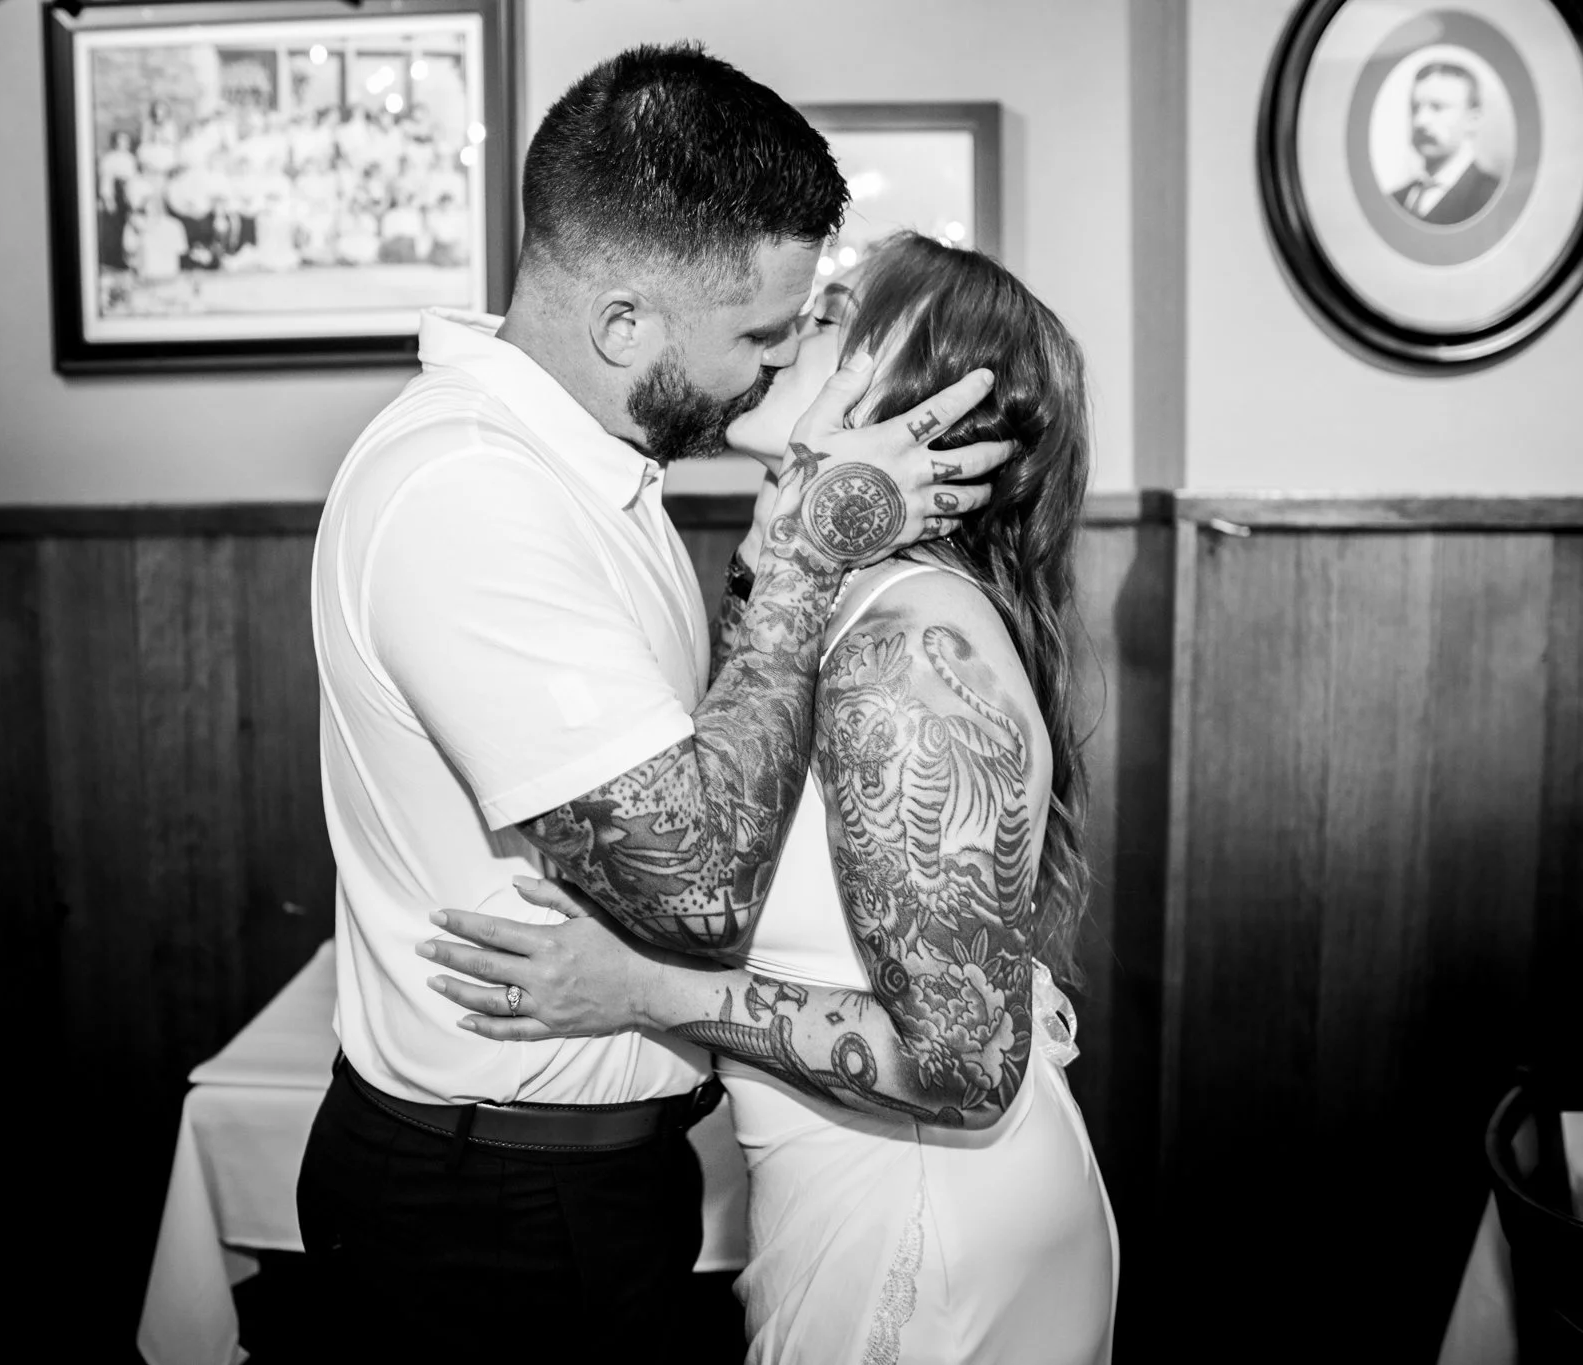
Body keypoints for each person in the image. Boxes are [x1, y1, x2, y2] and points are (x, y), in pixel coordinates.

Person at [298, 44, 1015, 1361]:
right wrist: (802, 557)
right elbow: (695, 889)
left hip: (597, 1180)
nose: (778, 362)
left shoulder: (596, 464)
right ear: (623, 324)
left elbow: (721, 765)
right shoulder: (469, 493)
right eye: (757, 334)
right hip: (492, 1215)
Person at [423, 231, 1118, 1363]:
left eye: (832, 317)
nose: (789, 336)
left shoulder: (909, 652)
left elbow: (963, 1065)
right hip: (845, 1193)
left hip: (929, 1224)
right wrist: (782, 550)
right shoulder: (845, 605)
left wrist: (644, 989)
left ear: (922, 408)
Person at [1391, 60, 1499, 226]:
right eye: (1415, 108)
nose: (1420, 121)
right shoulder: (1394, 201)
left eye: (1438, 107)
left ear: (1473, 119)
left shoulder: (1492, 198)